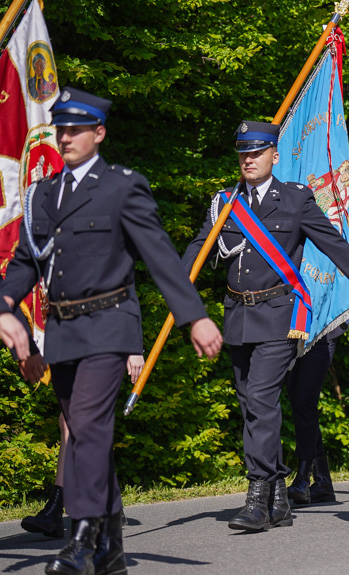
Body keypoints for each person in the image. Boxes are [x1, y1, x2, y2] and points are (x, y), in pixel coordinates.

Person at [0, 86, 222, 575]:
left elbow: (160, 256)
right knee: (83, 431)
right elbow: (25, 263)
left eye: (77, 129)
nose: (66, 137)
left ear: (99, 133)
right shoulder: (43, 194)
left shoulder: (123, 186)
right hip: (62, 331)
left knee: (88, 427)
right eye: (61, 129)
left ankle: (81, 540)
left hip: (108, 324)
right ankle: (113, 542)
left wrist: (195, 316)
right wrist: (6, 303)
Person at [182, 120, 349, 531]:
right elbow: (198, 248)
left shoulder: (294, 199)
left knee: (260, 399)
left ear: (274, 156)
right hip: (238, 317)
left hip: (280, 316)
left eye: (257, 152)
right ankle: (279, 496)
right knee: (252, 407)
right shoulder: (225, 202)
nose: (249, 159)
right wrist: (177, 284)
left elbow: (334, 245)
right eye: (243, 152)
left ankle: (258, 494)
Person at [21, 355, 143, 539]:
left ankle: (57, 509)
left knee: (73, 420)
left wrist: (133, 349)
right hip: (68, 345)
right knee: (69, 421)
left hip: (99, 345)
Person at [285, 329, 343, 506]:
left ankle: (303, 478)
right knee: (298, 402)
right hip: (296, 337)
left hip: (322, 335)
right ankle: (323, 482)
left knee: (304, 401)